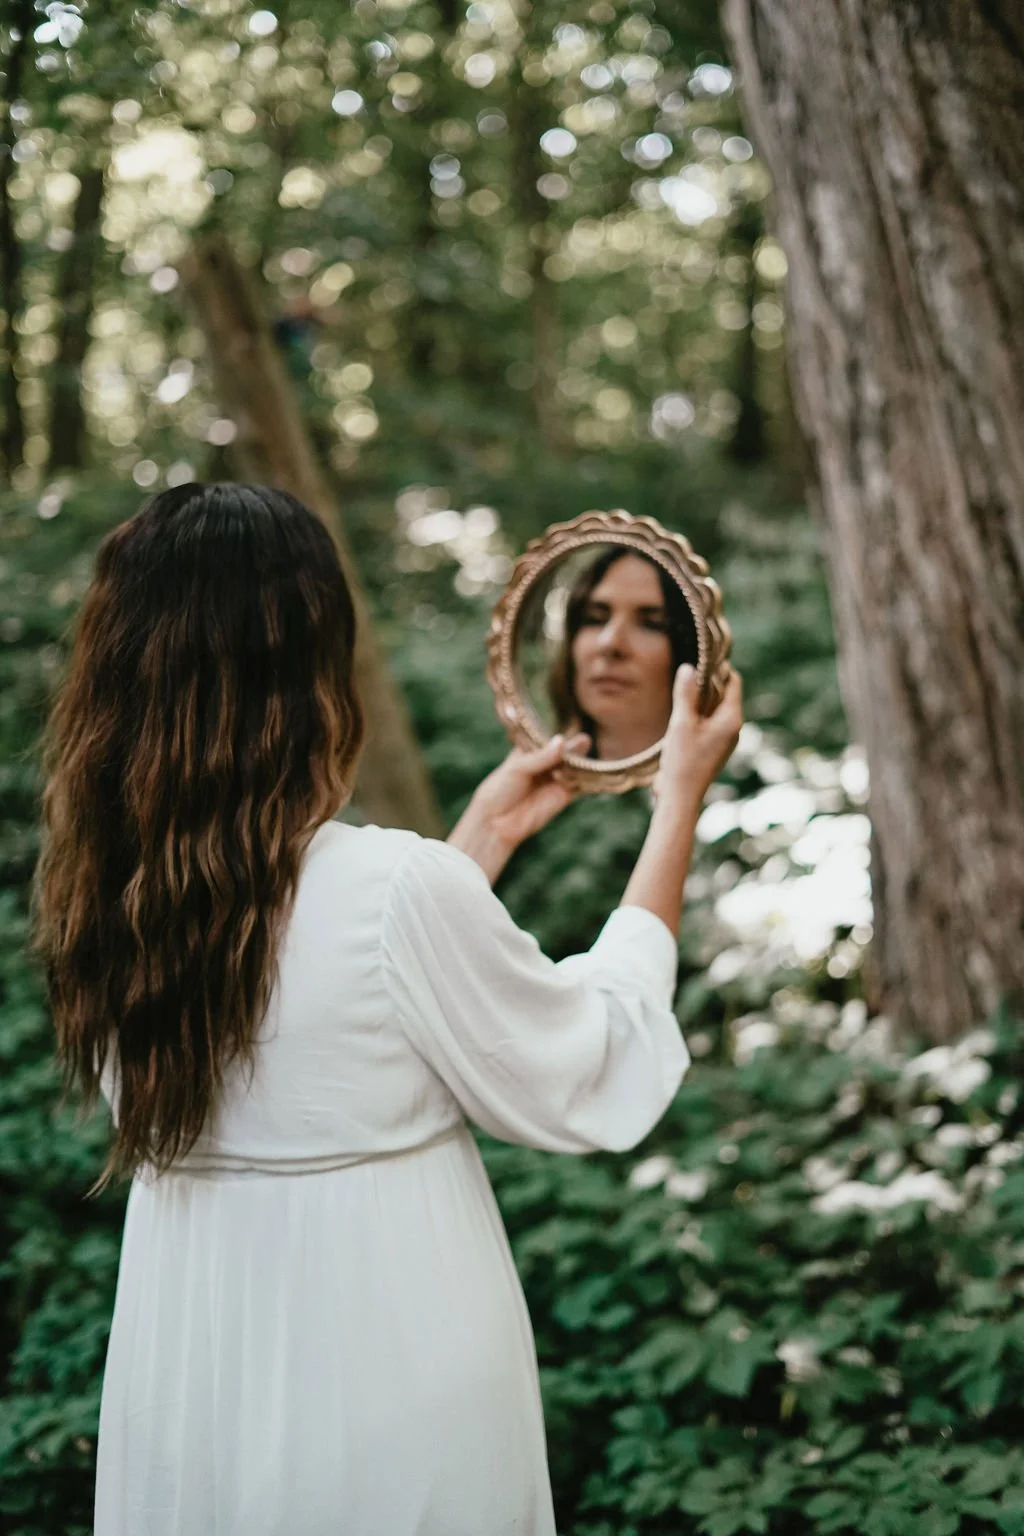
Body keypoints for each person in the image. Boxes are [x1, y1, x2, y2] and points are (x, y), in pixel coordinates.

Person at [31, 483, 742, 1536]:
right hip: (382, 1348)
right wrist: (677, 801)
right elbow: (588, 1065)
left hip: (190, 1351)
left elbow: (321, 1017)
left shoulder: (114, 898)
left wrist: (482, 842)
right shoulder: (393, 892)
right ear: (307, 670)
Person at [548, 545, 700, 761]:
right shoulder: (524, 781)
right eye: (595, 618)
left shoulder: (743, 784)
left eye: (652, 624)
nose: (610, 643)